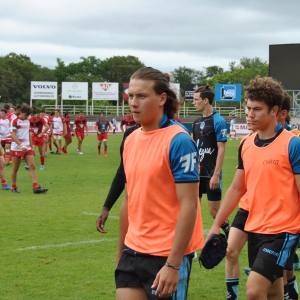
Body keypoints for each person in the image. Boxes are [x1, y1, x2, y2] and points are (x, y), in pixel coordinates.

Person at [207, 77, 300, 300]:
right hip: (255, 227)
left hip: (283, 231)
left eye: (257, 109)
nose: (250, 114)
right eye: (248, 108)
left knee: (254, 291)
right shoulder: (246, 144)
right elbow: (237, 189)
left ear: (274, 111)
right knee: (273, 292)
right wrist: (216, 225)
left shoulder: (292, 143)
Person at [115, 67, 204, 300]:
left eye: (142, 96)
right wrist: (120, 253)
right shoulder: (131, 139)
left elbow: (189, 205)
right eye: (131, 96)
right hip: (132, 251)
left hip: (166, 255)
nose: (134, 103)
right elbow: (128, 199)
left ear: (162, 98)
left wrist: (173, 265)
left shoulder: (179, 141)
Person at [192, 84, 230, 238]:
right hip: (196, 174)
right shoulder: (196, 123)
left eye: (196, 99)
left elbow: (221, 149)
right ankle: (191, 246)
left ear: (206, 100)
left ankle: (230, 234)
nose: (193, 103)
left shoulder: (218, 121)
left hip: (211, 174)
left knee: (214, 212)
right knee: (192, 210)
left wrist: (216, 174)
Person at [10, 104, 48, 194]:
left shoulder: (27, 122)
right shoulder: (15, 121)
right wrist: (21, 145)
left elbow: (29, 134)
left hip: (27, 147)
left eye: (28, 116)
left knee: (32, 166)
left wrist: (30, 146)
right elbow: (13, 135)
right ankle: (14, 187)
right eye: (25, 115)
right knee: (15, 168)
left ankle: (36, 187)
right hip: (16, 148)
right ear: (21, 112)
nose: (27, 117)